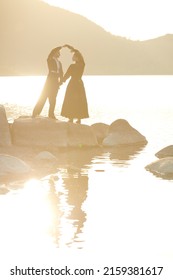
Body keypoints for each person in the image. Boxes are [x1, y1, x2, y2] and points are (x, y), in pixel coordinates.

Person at [60, 45, 89, 124]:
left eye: (74, 56)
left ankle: (71, 118)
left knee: (71, 100)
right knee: (79, 100)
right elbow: (67, 75)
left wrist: (60, 82)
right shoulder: (82, 65)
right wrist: (71, 49)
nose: (72, 57)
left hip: (73, 84)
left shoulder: (73, 66)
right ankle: (78, 119)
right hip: (79, 84)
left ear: (77, 57)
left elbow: (66, 76)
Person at [32, 46, 63, 119]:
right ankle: (35, 113)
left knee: (53, 98)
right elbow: (51, 53)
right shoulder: (50, 59)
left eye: (59, 52)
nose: (59, 53)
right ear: (54, 53)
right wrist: (59, 47)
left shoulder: (59, 62)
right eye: (58, 52)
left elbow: (61, 72)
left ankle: (51, 114)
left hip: (56, 81)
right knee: (43, 96)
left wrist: (61, 81)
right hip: (50, 80)